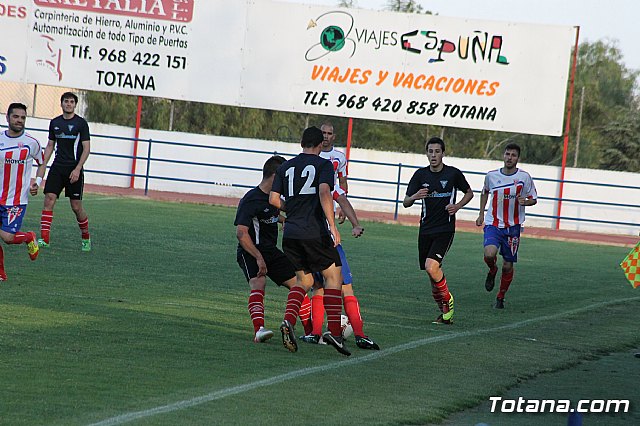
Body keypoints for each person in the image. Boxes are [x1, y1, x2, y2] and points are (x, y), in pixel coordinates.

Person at [269, 126, 349, 356]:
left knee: (303, 281)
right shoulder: (323, 165)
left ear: (302, 143)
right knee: (334, 275)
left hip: (291, 233)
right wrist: (332, 225)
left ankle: (288, 321)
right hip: (314, 230)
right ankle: (334, 331)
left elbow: (274, 200)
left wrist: (291, 208)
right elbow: (325, 192)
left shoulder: (285, 166)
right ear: (319, 145)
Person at [234, 155, 312, 343]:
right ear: (276, 175)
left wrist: (284, 220)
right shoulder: (251, 200)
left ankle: (311, 332)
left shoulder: (274, 198)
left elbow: (271, 215)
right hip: (250, 250)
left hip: (271, 252)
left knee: (299, 285)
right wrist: (259, 258)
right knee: (259, 283)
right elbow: (241, 233)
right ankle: (259, 330)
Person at [403, 137, 473, 324]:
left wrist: (457, 206)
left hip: (445, 229)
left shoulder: (453, 174)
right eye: (430, 151)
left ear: (443, 153)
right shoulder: (420, 175)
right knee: (431, 273)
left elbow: (469, 192)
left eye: (437, 151)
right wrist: (416, 196)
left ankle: (448, 300)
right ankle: (444, 311)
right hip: (425, 230)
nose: (433, 155)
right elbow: (406, 202)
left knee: (431, 266)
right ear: (426, 153)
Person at [475, 143, 537, 309]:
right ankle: (492, 270)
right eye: (507, 154)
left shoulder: (524, 177)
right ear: (503, 155)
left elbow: (533, 198)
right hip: (493, 223)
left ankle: (500, 297)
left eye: (513, 155)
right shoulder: (492, 176)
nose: (510, 158)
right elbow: (484, 192)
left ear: (518, 158)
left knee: (508, 265)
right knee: (489, 254)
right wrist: (481, 214)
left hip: (513, 227)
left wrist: (527, 202)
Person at [38, 92, 92, 251]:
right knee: (49, 199)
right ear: (61, 104)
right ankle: (44, 239)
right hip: (57, 167)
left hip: (73, 169)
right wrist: (42, 164)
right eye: (66, 101)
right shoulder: (55, 122)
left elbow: (86, 148)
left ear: (75, 105)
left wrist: (77, 169)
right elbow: (50, 146)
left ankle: (86, 237)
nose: (68, 104)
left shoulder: (81, 124)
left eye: (71, 102)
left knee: (76, 207)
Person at [0, 103, 46, 280]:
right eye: (16, 116)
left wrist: (38, 182)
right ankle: (1, 273)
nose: (19, 120)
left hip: (16, 199)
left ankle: (28, 237)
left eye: (23, 117)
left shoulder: (31, 143)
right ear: (8, 118)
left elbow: (41, 162)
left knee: (7, 237)